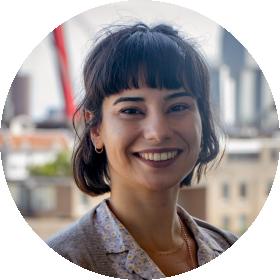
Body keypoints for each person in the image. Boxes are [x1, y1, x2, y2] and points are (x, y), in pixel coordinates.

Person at [47, 23, 238, 278]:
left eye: (178, 107)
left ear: (202, 120)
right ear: (96, 130)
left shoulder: (229, 248)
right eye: (131, 111)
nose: (158, 132)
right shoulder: (64, 260)